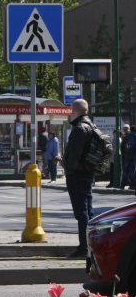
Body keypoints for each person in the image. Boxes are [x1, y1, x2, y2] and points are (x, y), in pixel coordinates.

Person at [62, 98, 97, 258]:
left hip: (77, 175)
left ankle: (84, 248)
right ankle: (92, 245)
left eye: (71, 110)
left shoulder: (79, 129)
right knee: (88, 212)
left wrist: (65, 166)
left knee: (81, 213)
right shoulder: (91, 126)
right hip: (87, 173)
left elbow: (74, 156)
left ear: (75, 111)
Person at [121, 124, 136, 190]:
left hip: (126, 156)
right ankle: (131, 185)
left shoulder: (126, 137)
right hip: (134, 156)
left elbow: (122, 146)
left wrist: (123, 154)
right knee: (131, 171)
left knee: (125, 171)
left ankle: (122, 184)